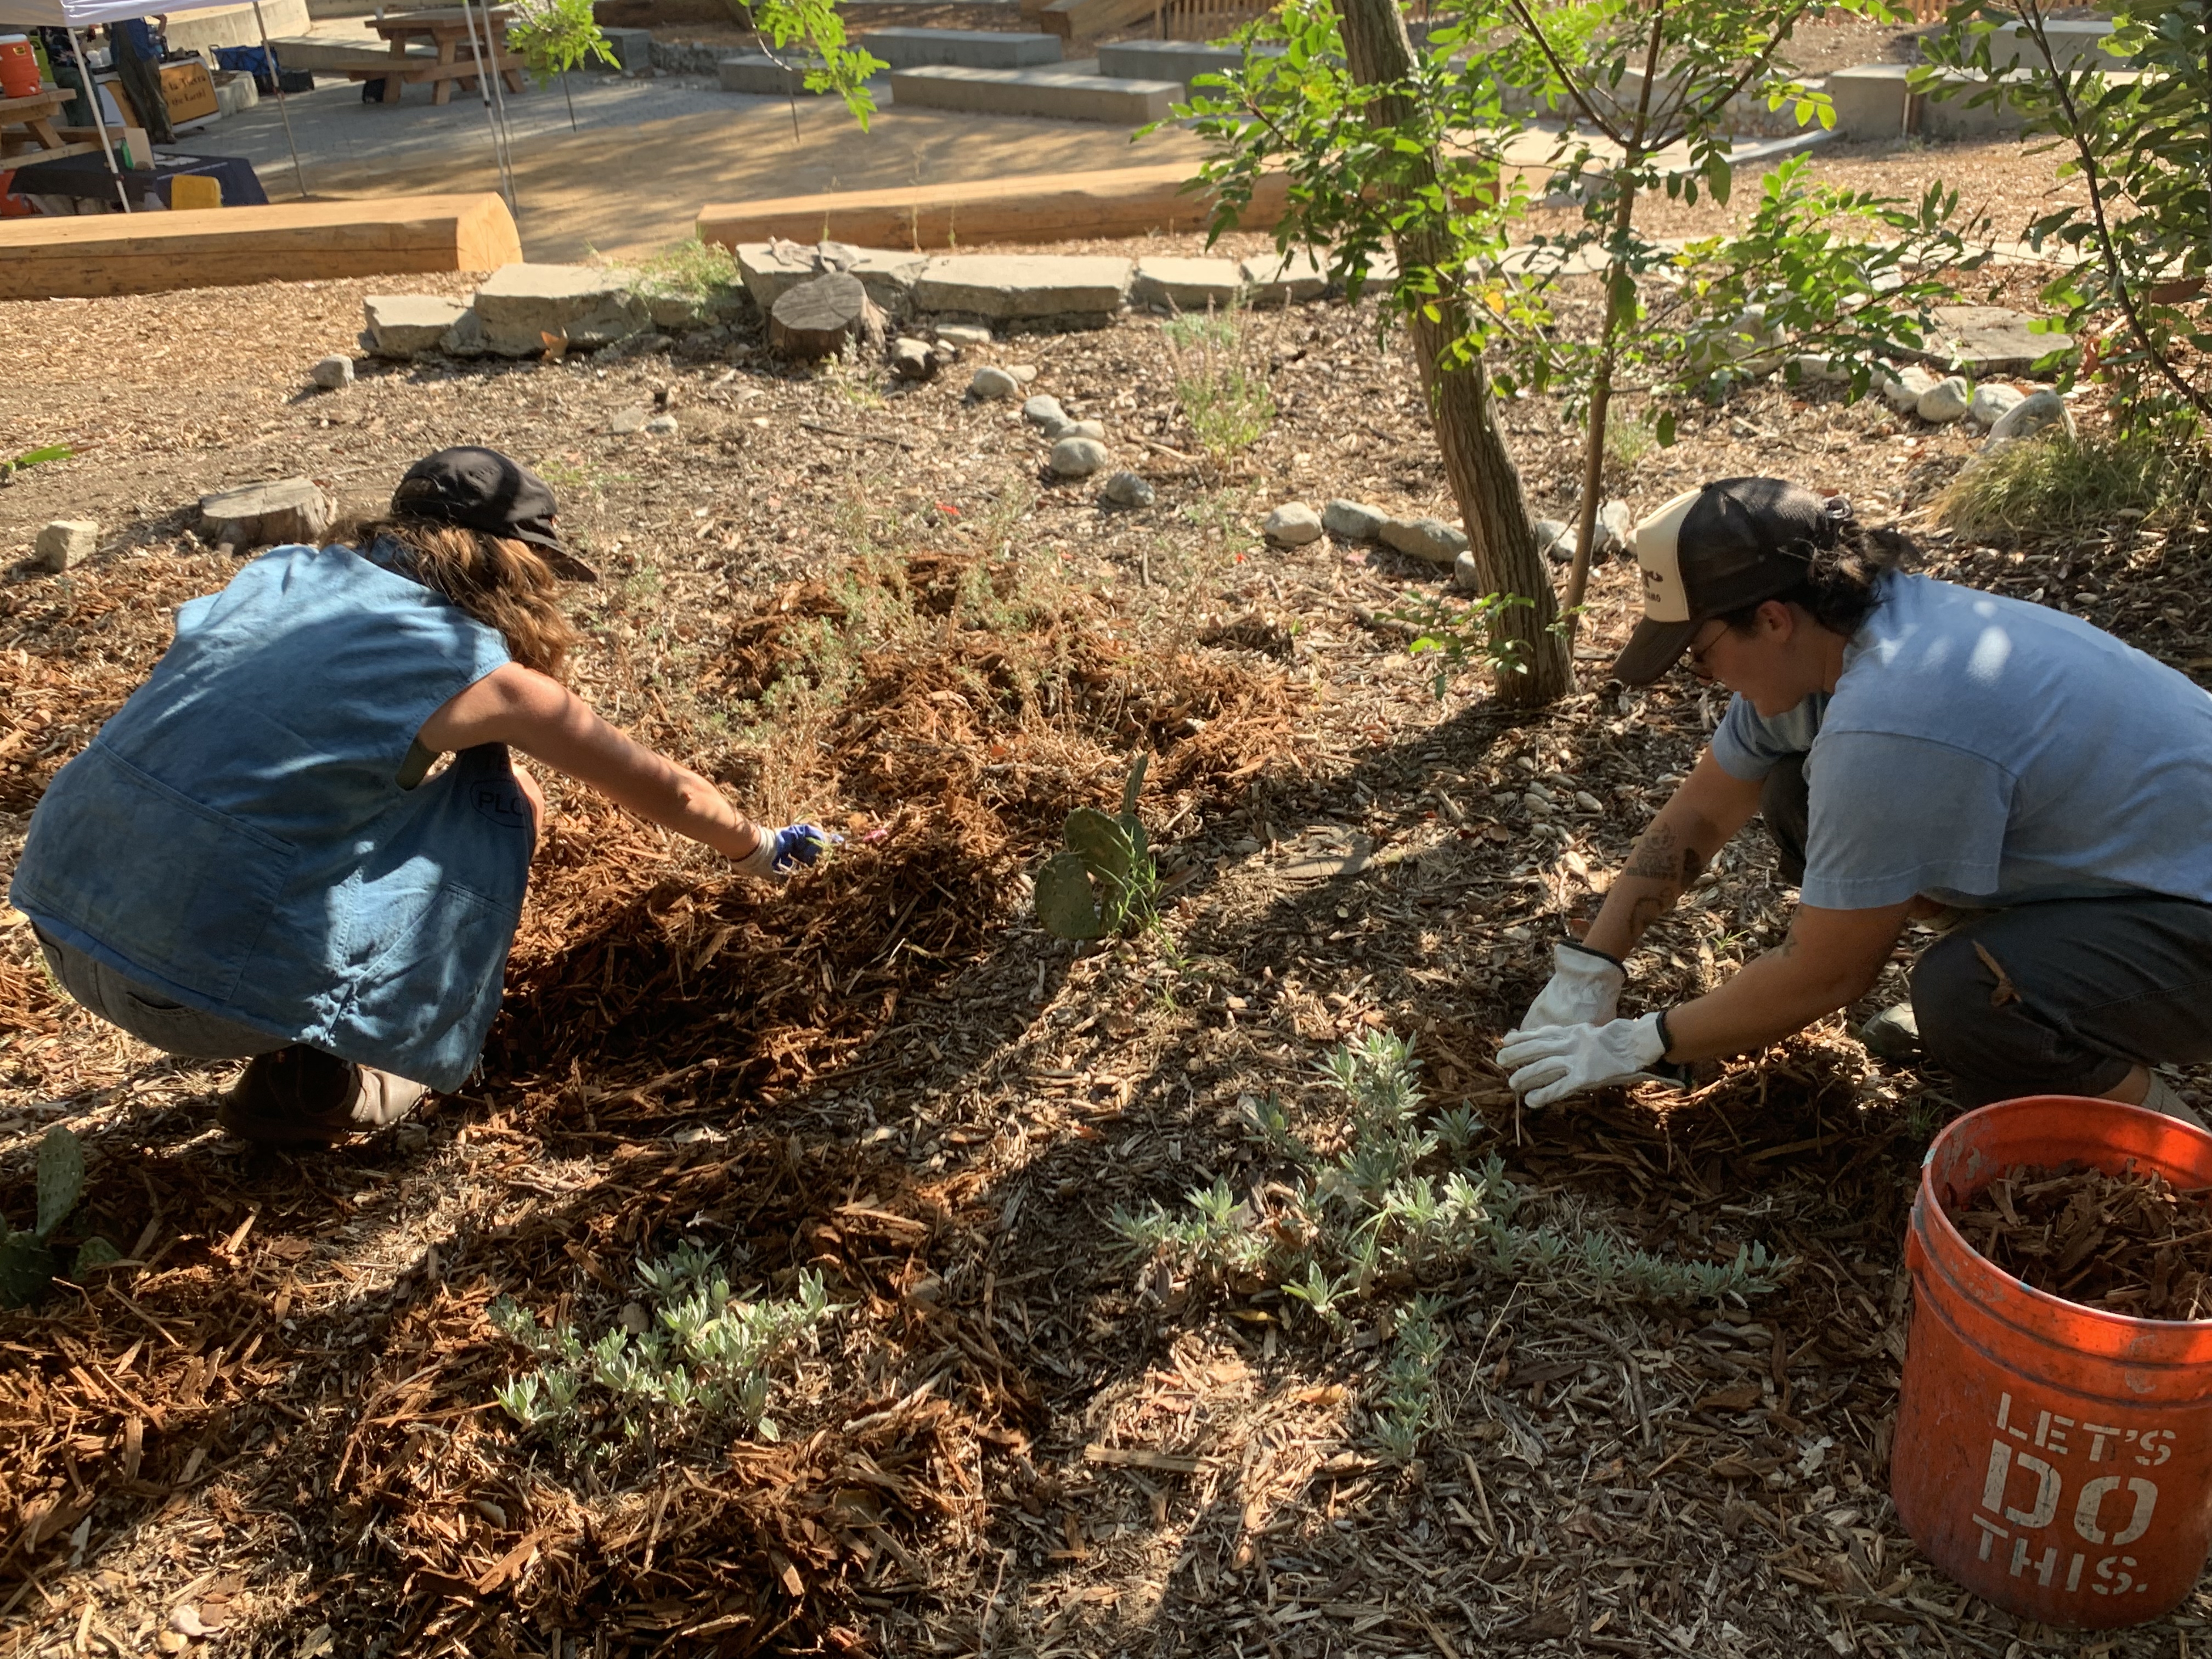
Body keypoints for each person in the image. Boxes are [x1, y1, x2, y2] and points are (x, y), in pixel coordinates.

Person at [12, 449, 833, 1148]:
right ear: (512, 566)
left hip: (57, 914)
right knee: (506, 803)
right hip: (189, 992)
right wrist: (761, 848)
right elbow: (669, 791)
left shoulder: (279, 575)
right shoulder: (479, 677)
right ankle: (348, 1079)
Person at [1498, 476, 2212, 1121]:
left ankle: (2175, 1155)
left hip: (2192, 915)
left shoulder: (1895, 714)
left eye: (1699, 649)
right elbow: (1702, 813)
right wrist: (1593, 965)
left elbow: (1829, 974)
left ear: (1773, 619)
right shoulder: (1836, 640)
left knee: (1966, 997)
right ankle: (2028, 985)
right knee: (1797, 792)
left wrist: (1640, 1042)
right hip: (2140, 873)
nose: (1703, 675)